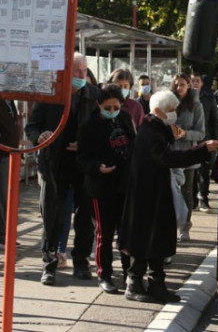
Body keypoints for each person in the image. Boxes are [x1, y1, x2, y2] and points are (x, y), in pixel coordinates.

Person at [119, 90, 218, 303]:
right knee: (146, 240)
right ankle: (135, 283)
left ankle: (156, 284)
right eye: (171, 111)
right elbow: (168, 158)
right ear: (158, 112)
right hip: (147, 197)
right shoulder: (150, 134)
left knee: (156, 240)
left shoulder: (156, 129)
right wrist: (201, 150)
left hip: (155, 193)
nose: (174, 114)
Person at [25, 52, 98, 285]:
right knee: (52, 215)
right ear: (65, 72)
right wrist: (40, 138)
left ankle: (81, 262)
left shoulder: (93, 95)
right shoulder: (50, 95)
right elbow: (32, 128)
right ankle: (49, 264)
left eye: (84, 71)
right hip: (54, 165)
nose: (81, 75)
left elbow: (103, 129)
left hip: (83, 165)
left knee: (85, 216)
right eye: (77, 71)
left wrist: (86, 145)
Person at [77, 84, 135, 294]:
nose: (112, 111)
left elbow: (133, 146)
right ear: (98, 104)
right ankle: (105, 274)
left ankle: (131, 274)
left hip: (124, 184)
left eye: (115, 106)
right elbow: (81, 159)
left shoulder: (125, 119)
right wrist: (97, 167)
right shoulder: (89, 126)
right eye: (107, 107)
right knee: (105, 233)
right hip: (101, 187)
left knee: (126, 232)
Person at [170, 73, 205, 240]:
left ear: (189, 86)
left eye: (182, 84)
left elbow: (200, 133)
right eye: (176, 85)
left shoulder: (196, 105)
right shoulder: (169, 103)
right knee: (169, 192)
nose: (179, 88)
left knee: (186, 192)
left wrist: (184, 133)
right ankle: (170, 225)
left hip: (188, 155)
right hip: (170, 153)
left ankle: (185, 227)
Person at [191, 73, 218, 212]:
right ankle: (192, 200)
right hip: (189, 140)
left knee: (203, 171)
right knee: (190, 171)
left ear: (202, 83)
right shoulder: (184, 98)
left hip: (205, 140)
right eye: (192, 81)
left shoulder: (209, 99)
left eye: (197, 81)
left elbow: (215, 120)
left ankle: (203, 199)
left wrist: (216, 140)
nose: (194, 83)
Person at [0, 100, 19, 247]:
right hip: (3, 152)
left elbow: (14, 126)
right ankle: (3, 234)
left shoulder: (10, 100)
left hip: (11, 152)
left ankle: (7, 233)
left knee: (8, 196)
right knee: (3, 196)